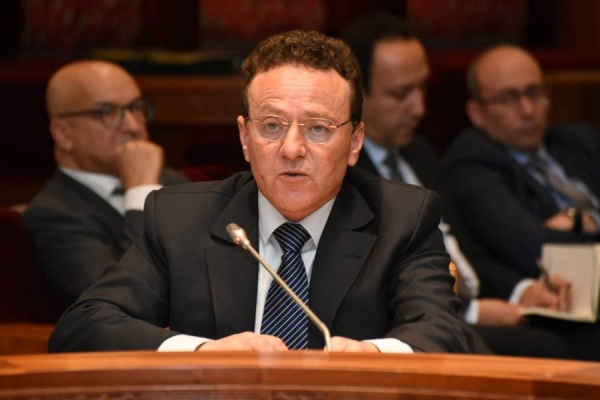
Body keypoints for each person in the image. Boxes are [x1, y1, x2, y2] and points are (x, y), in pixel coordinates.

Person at [49, 30, 483, 354]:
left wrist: (370, 356)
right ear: (245, 138)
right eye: (272, 126)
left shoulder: (402, 218)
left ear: (354, 142)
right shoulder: (179, 219)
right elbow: (84, 325)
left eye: (318, 128)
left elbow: (443, 332)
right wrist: (203, 352)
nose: (291, 149)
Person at [342, 13, 569, 358]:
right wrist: (474, 311)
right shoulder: (348, 172)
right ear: (358, 96)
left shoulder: (419, 152)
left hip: (473, 308)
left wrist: (521, 291)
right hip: (423, 324)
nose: (419, 108)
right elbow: (378, 288)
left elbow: (468, 252)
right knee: (546, 347)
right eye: (401, 94)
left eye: (422, 88)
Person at [444, 44, 600, 360]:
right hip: (563, 307)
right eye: (508, 98)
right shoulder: (471, 162)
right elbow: (534, 249)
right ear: (477, 113)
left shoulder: (579, 141)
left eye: (534, 92)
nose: (528, 110)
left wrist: (585, 220)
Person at [23, 60, 188, 308]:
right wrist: (141, 190)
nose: (133, 126)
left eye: (136, 107)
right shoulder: (53, 214)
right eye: (106, 112)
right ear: (63, 134)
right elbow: (121, 299)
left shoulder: (174, 182)